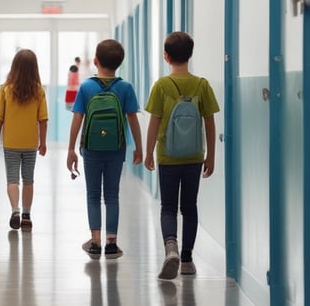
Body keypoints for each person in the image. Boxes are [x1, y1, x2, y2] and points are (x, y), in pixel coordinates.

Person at [144, 31, 219, 279]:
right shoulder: (202, 85)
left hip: (167, 156)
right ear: (191, 54)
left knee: (168, 207)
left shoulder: (161, 86)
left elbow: (154, 122)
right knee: (190, 207)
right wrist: (210, 155)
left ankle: (171, 247)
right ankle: (187, 259)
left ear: (166, 56)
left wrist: (148, 152)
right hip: (194, 156)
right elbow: (210, 122)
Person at [66, 39, 143, 259]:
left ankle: (95, 241)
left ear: (96, 61)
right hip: (116, 148)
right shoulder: (125, 87)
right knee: (112, 195)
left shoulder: (87, 87)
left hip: (91, 148)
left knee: (92, 195)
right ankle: (111, 243)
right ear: (119, 63)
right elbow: (133, 120)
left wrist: (71, 149)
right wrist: (138, 147)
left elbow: (77, 119)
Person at [0, 49, 48, 231]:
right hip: (30, 143)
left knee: (12, 180)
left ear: (14, 67)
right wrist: (43, 142)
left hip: (11, 143)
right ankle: (26, 216)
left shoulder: (5, 90)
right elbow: (43, 119)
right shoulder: (39, 91)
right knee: (29, 180)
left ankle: (15, 210)